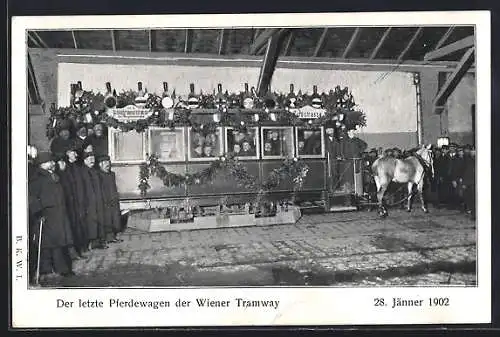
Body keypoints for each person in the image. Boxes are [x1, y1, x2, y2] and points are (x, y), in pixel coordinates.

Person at [31, 151, 75, 282]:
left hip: (59, 212)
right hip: (47, 214)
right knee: (50, 243)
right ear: (42, 164)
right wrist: (39, 213)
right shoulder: (37, 179)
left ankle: (60, 268)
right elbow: (32, 198)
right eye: (50, 161)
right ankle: (49, 269)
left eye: (52, 161)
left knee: (58, 242)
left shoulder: (53, 175)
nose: (53, 163)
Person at [64, 143, 89, 257]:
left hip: (79, 201)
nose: (76, 155)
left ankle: (81, 247)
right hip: (71, 202)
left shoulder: (77, 167)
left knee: (80, 224)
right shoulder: (66, 168)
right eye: (73, 152)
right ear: (67, 154)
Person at [80, 152, 107, 250]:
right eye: (89, 159)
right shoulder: (82, 172)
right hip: (89, 201)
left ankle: (98, 241)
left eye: (93, 158)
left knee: (98, 219)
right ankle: (91, 242)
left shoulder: (95, 171)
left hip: (97, 200)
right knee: (91, 221)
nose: (92, 161)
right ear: (84, 160)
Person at [96, 155, 123, 243]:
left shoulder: (112, 174)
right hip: (105, 201)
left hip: (113, 199)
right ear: (100, 164)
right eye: (105, 163)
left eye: (108, 162)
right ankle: (106, 237)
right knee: (107, 219)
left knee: (114, 218)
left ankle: (112, 236)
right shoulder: (98, 175)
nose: (108, 164)